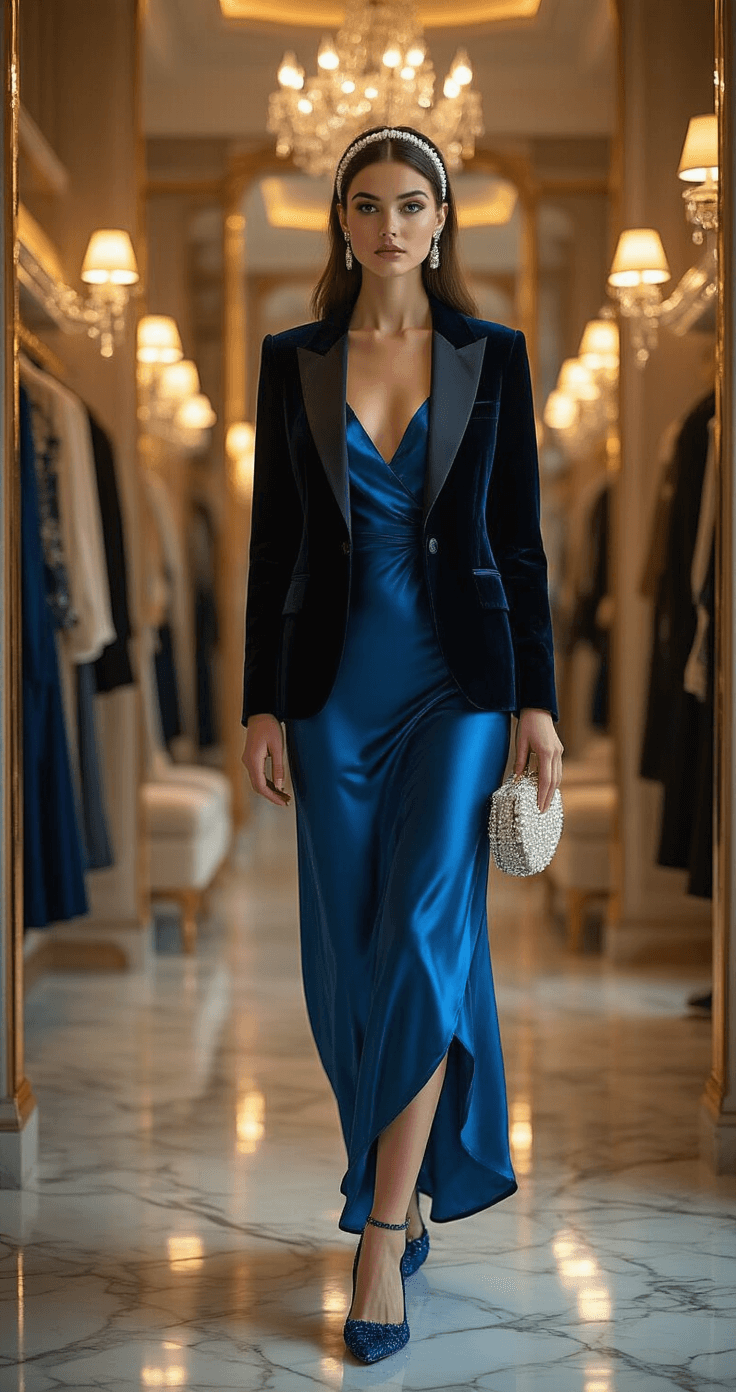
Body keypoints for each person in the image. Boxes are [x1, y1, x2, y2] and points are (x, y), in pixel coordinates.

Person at [241, 124, 564, 1364]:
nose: (390, 224)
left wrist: (535, 699)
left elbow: (517, 543)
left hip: (458, 690)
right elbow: (274, 547)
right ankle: (410, 1177)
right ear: (341, 220)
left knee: (427, 926)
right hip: (333, 695)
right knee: (348, 961)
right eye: (368, 203)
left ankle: (381, 1233)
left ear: (440, 222)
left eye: (412, 204)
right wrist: (262, 705)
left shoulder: (494, 354)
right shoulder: (293, 361)